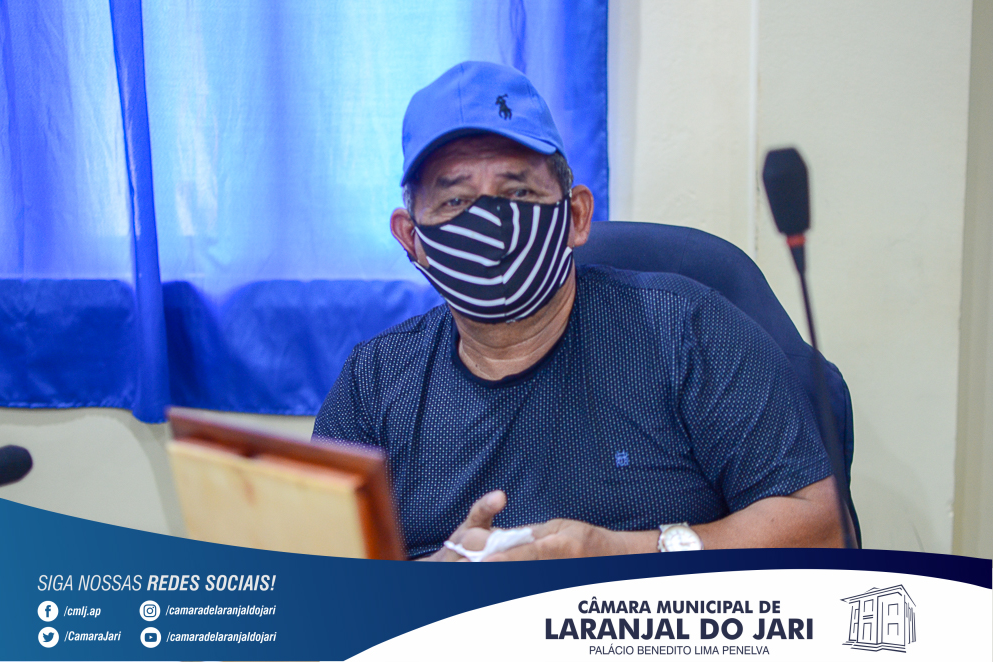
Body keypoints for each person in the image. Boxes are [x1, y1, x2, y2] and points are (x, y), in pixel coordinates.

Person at [313, 61, 844, 561]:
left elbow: (825, 533)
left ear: (576, 217)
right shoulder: (374, 385)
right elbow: (310, 589)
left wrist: (623, 555)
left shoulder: (685, 331)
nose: (490, 222)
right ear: (413, 239)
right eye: (454, 201)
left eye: (518, 191)